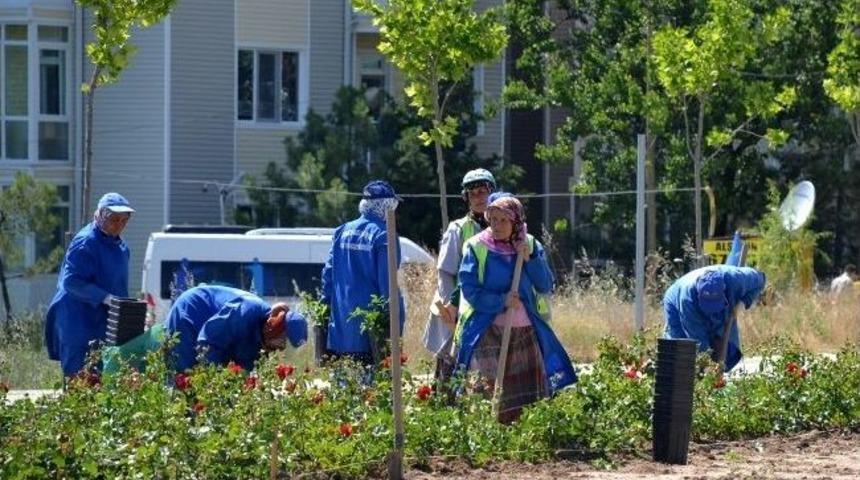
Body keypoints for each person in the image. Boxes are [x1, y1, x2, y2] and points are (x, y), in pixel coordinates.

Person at [456, 194, 577, 423]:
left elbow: (545, 284)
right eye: (493, 219)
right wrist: (501, 300)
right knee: (488, 390)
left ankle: (525, 435)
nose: (497, 226)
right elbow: (470, 290)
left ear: (516, 222)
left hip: (525, 329)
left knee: (526, 394)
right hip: (488, 331)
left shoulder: (529, 244)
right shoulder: (476, 247)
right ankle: (490, 432)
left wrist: (530, 258)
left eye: (503, 220)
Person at [44, 192, 135, 377]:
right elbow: (70, 281)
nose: (119, 225)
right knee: (79, 378)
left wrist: (128, 310)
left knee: (105, 377)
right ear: (100, 215)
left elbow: (118, 286)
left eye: (124, 221)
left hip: (102, 321)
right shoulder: (86, 242)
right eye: (114, 219)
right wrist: (105, 297)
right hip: (77, 320)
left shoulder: (121, 247)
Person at [320, 180, 405, 365]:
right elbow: (388, 287)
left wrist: (324, 317)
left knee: (343, 390)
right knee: (371, 392)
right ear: (387, 206)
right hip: (370, 337)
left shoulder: (341, 231)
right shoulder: (384, 235)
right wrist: (396, 327)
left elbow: (327, 277)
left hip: (339, 333)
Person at [423, 168, 496, 385]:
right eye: (473, 194)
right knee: (451, 368)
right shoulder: (458, 229)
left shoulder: (501, 225)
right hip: (458, 310)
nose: (479, 198)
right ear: (466, 198)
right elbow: (446, 274)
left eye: (483, 191)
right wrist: (451, 312)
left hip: (488, 308)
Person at [164, 285, 307, 372]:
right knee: (184, 376)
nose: (280, 348)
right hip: (191, 313)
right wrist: (212, 379)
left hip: (207, 328)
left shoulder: (262, 341)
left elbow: (244, 362)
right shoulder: (245, 312)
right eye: (282, 341)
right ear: (275, 327)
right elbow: (207, 341)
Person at [663, 265, 766, 371]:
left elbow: (761, 279)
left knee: (727, 354)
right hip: (675, 304)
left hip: (723, 306)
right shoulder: (687, 300)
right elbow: (698, 339)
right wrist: (709, 367)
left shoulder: (736, 279)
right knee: (682, 355)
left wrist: (743, 303)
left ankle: (714, 375)